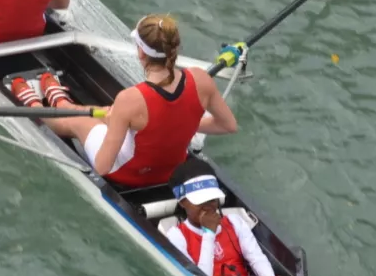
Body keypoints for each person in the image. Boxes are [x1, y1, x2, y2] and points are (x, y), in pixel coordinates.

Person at [16, 13, 237, 184]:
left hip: (127, 175)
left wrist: (114, 122)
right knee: (110, 113)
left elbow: (102, 167)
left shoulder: (131, 99)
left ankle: (36, 104)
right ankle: (62, 102)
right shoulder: (201, 79)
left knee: (81, 121)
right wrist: (177, 124)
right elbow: (228, 125)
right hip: (172, 171)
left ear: (141, 53)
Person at [160, 171, 279, 276]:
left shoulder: (235, 221)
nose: (208, 207)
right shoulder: (176, 236)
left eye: (212, 200)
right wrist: (209, 233)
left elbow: (256, 257)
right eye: (200, 202)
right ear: (182, 203)